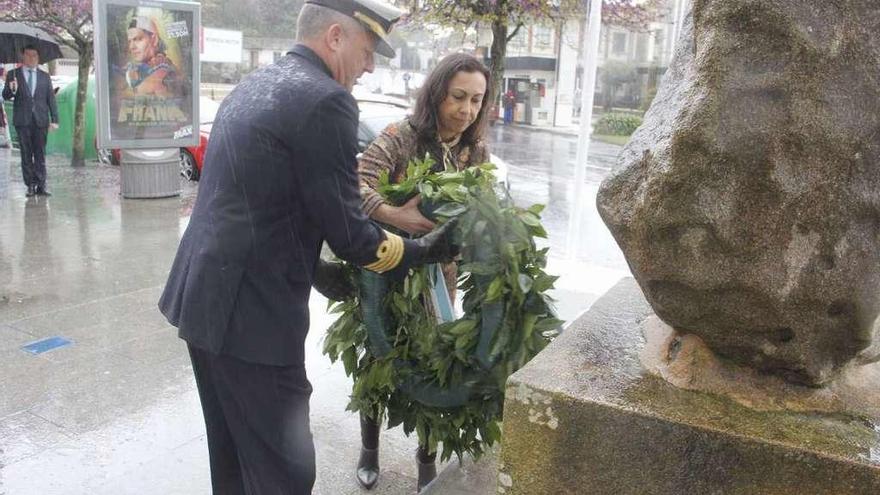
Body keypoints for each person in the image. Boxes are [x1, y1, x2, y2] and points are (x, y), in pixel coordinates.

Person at [157, 0, 458, 493]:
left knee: (233, 460)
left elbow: (262, 202)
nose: (370, 66)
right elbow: (354, 237)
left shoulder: (256, 84)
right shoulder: (326, 100)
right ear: (336, 37)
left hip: (204, 299)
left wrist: (317, 270)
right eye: (367, 50)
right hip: (252, 318)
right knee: (286, 474)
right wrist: (427, 251)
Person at [355, 52, 492, 491]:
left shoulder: (475, 151)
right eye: (457, 97)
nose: (466, 110)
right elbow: (353, 184)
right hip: (388, 272)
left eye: (475, 100)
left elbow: (481, 207)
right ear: (436, 93)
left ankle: (426, 464)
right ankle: (369, 450)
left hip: (440, 283)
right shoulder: (401, 136)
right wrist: (397, 216)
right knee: (379, 361)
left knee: (436, 364)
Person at [2, 46, 59, 197]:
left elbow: (51, 99)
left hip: (40, 120)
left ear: (38, 58)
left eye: (35, 55)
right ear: (23, 56)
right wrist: (12, 89)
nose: (32, 58)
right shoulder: (14, 75)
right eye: (29, 55)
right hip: (23, 121)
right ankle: (30, 185)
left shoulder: (44, 76)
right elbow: (5, 95)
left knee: (40, 153)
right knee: (26, 154)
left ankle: (41, 184)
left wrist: (55, 119)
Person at [122, 16, 179, 97]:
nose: (131, 47)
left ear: (154, 39)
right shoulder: (143, 69)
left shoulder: (162, 70)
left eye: (138, 39)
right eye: (129, 41)